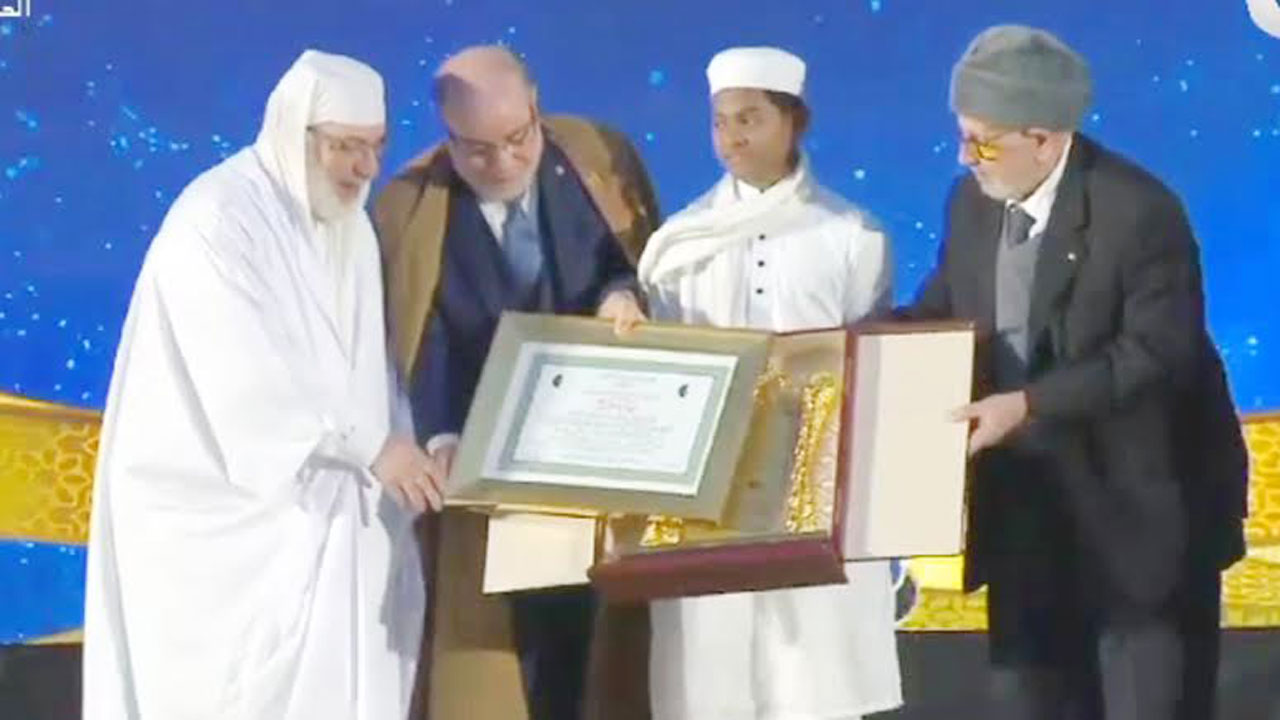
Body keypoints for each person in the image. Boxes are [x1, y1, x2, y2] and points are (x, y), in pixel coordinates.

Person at [82, 50, 441, 719]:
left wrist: (407, 443)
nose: (366, 168)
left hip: (337, 521)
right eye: (346, 147)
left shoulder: (351, 229)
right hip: (225, 523)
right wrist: (371, 446)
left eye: (376, 147)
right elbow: (243, 379)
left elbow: (369, 370)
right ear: (294, 131)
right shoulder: (218, 220)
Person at [904, 25, 1250, 720]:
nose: (965, 157)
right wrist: (847, 354)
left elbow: (1155, 354)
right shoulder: (969, 204)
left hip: (1142, 520)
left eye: (982, 141)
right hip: (1028, 514)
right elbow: (943, 310)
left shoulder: (1141, 213)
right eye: (962, 136)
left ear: (1044, 138)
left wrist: (1027, 405)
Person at [373, 45, 659, 720]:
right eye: (477, 150)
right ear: (447, 137)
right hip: (490, 465)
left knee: (604, 636)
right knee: (511, 645)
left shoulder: (597, 161)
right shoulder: (413, 208)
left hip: (603, 447)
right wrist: (442, 433)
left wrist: (621, 294)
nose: (502, 163)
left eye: (517, 138)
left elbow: (637, 259)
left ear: (536, 107)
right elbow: (422, 337)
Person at [637, 46, 903, 720]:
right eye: (720, 121)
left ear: (793, 122)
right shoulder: (679, 243)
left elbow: (867, 365)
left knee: (812, 671)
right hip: (710, 490)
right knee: (711, 671)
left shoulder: (852, 234)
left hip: (814, 480)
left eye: (749, 119)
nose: (732, 137)